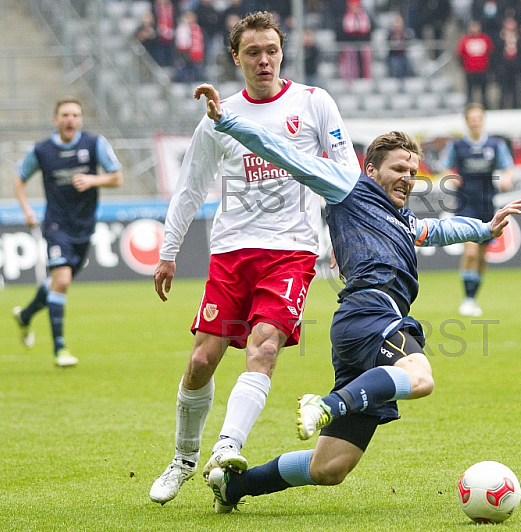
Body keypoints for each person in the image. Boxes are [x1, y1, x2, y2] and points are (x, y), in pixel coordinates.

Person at [193, 82, 521, 513]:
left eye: (412, 170)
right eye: (399, 168)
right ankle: (326, 404)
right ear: (371, 169)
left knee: (330, 467)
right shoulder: (346, 185)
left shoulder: (402, 220)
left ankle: (233, 487)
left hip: (357, 326)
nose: (408, 177)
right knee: (421, 378)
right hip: (372, 308)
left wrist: (485, 228)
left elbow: (438, 230)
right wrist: (228, 121)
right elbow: (282, 151)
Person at [148, 11, 361, 506]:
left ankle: (227, 448)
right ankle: (182, 459)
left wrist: (348, 242)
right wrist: (168, 252)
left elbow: (347, 175)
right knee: (202, 361)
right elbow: (189, 189)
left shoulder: (313, 103)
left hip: (291, 251)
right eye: (253, 53)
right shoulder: (218, 118)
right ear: (235, 57)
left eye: (272, 51)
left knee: (263, 348)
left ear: (282, 52)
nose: (264, 60)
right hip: (231, 252)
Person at [11, 97, 123, 368]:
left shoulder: (95, 144)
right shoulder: (42, 151)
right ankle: (59, 349)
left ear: (81, 120)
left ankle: (26, 315)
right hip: (55, 225)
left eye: (75, 115)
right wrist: (27, 210)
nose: (70, 119)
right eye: (65, 115)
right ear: (56, 120)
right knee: (61, 281)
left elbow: (117, 177)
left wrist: (93, 180)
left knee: (58, 282)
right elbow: (19, 179)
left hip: (84, 227)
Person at [441, 103, 513, 317]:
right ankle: (466, 298)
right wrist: (450, 176)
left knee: (482, 256)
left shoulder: (495, 144)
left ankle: (472, 298)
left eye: (478, 118)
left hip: (487, 203)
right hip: (465, 203)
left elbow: (507, 166)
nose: (475, 122)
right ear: (466, 121)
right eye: (471, 118)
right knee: (470, 250)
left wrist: (507, 177)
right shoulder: (457, 146)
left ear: (482, 120)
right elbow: (445, 166)